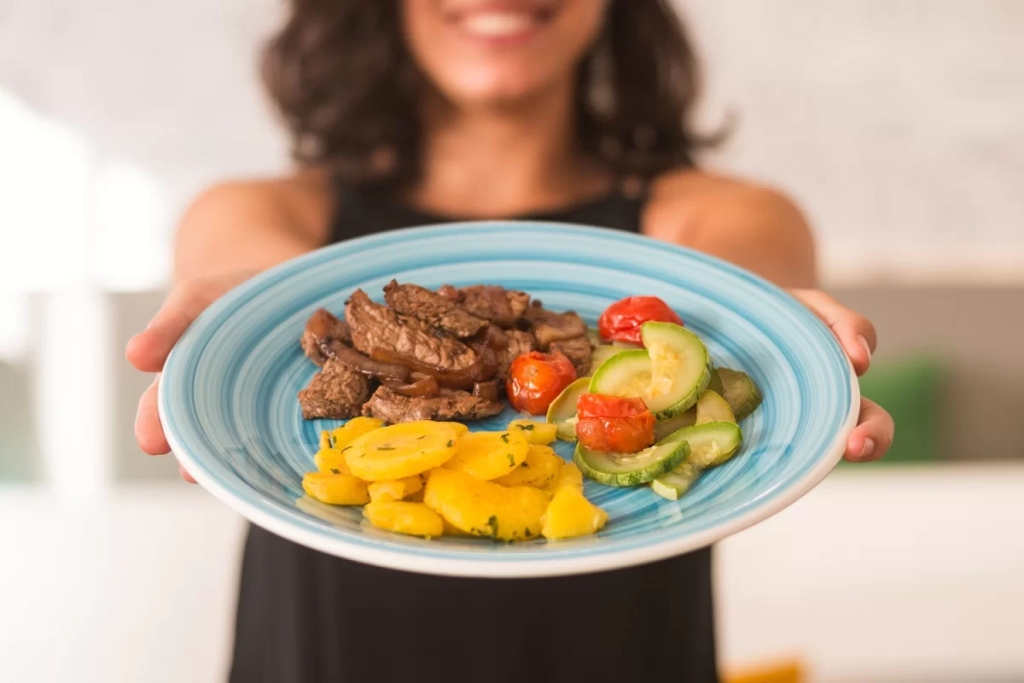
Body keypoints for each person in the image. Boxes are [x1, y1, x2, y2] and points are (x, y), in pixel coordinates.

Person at [127, 1, 895, 681]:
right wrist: (243, 311)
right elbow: (253, 274)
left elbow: (743, 292)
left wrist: (776, 325)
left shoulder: (728, 216)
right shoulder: (258, 212)